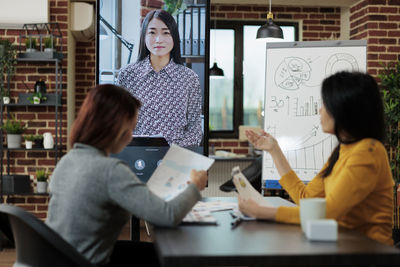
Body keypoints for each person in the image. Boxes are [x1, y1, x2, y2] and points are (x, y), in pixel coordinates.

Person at [46, 84, 208, 267]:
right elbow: (168, 216)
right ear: (114, 128)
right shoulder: (110, 170)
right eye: (130, 128)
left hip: (60, 258)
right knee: (172, 257)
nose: (131, 137)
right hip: (86, 261)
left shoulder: (67, 161)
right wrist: (195, 186)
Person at [239, 71, 394, 245]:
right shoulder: (344, 150)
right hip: (342, 247)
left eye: (325, 104)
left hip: (369, 254)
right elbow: (307, 199)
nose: (320, 110)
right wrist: (274, 150)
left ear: (344, 108)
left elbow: (328, 212)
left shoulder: (368, 152)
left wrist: (263, 213)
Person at [118, 9, 202, 147]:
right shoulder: (127, 75)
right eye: (152, 32)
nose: (158, 39)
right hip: (136, 156)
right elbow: (119, 124)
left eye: (166, 32)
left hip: (176, 160)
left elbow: (195, 130)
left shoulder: (189, 78)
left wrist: (173, 151)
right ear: (144, 36)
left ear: (174, 37)